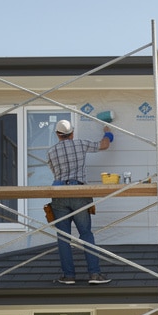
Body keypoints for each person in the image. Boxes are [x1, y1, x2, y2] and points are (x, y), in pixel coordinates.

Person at [47, 118, 113, 285]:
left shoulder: (51, 152)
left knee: (63, 237)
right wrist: (108, 132)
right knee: (85, 234)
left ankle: (69, 276)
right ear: (72, 133)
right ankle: (95, 274)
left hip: (59, 193)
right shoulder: (80, 144)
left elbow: (55, 172)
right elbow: (104, 145)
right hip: (79, 192)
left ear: (57, 134)